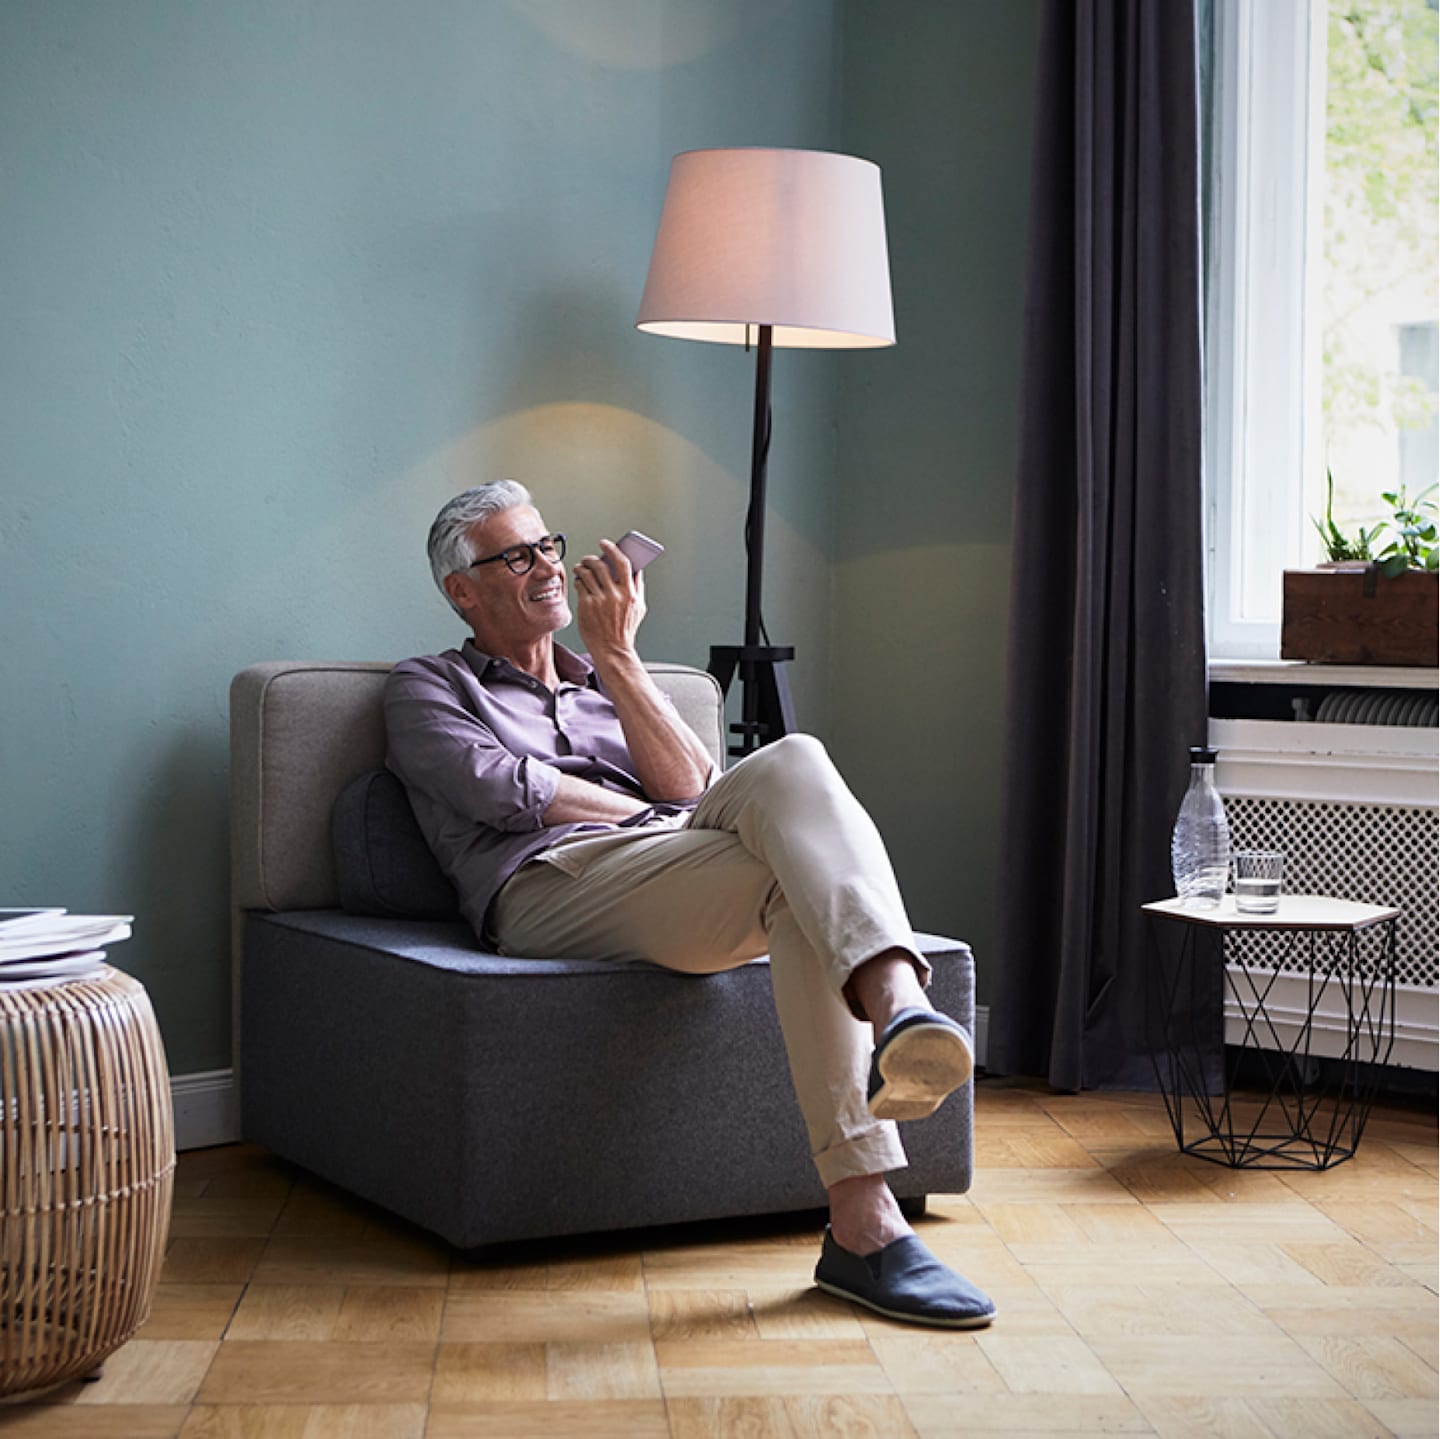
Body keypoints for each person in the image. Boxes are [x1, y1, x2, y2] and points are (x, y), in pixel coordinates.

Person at [384, 481, 996, 1328]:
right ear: (462, 589)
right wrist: (653, 816)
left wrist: (621, 658)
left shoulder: (607, 678)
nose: (547, 567)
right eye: (515, 555)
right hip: (547, 885)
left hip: (663, 868)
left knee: (796, 771)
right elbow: (502, 788)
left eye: (549, 545)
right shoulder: (426, 686)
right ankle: (896, 1010)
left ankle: (867, 1209)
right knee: (785, 816)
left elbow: (701, 787)